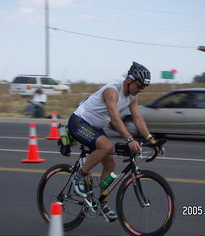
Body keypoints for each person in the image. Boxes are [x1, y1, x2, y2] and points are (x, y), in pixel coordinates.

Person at [68, 62, 164, 222]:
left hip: (95, 127)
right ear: (129, 80)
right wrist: (130, 139)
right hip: (80, 121)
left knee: (110, 163)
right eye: (139, 86)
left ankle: (103, 204)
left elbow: (137, 118)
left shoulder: (133, 95)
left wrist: (151, 139)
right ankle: (78, 176)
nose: (140, 90)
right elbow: (115, 117)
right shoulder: (112, 90)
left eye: (143, 88)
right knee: (107, 146)